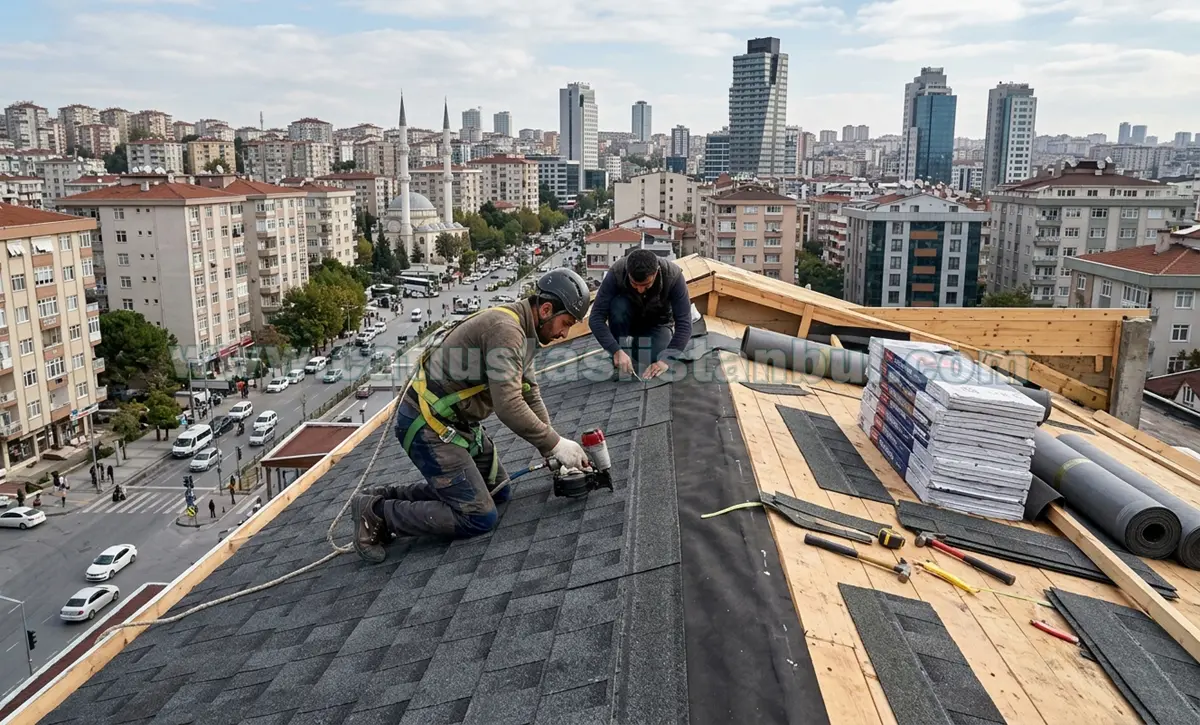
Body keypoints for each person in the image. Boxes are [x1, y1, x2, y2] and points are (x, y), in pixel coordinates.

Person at [350, 268, 594, 563]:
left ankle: (383, 495)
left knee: (498, 492)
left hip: (456, 424)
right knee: (478, 515)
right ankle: (377, 514)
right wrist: (554, 444)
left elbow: (529, 392)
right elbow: (509, 405)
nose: (564, 334)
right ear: (546, 310)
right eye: (566, 324)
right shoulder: (506, 331)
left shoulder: (525, 332)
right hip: (428, 426)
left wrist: (551, 448)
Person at [588, 248, 692, 380]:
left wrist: (666, 360)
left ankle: (635, 348)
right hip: (627, 321)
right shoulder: (617, 272)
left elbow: (684, 324)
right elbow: (595, 317)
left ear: (656, 273)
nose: (640, 290)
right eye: (634, 284)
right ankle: (621, 352)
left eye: (646, 285)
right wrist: (615, 350)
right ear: (628, 273)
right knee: (619, 306)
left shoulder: (673, 276)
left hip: (657, 324)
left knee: (653, 358)